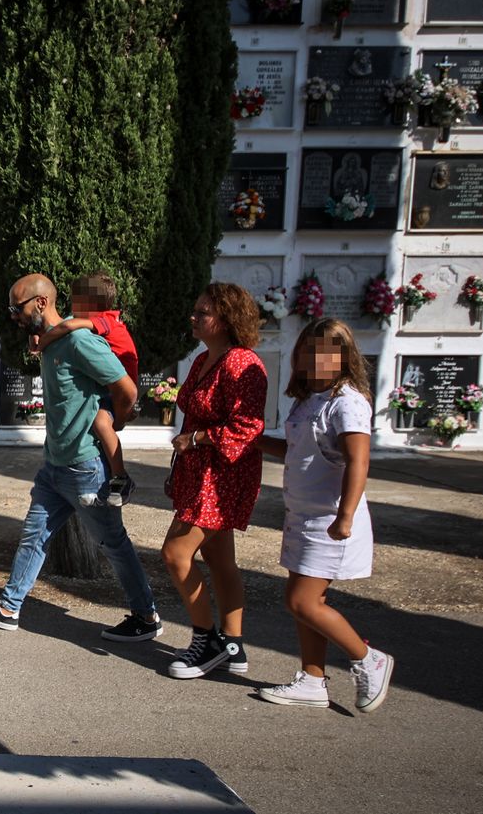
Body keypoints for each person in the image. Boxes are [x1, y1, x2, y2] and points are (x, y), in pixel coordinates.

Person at [0, 274, 161, 642]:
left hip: (85, 468)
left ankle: (146, 617)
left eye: (16, 308)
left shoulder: (80, 342)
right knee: (34, 535)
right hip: (55, 466)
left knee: (114, 543)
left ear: (39, 303)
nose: (12, 316)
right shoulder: (54, 340)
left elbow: (127, 388)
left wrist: (114, 420)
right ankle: (8, 608)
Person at [254, 319, 394, 711]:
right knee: (304, 600)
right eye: (309, 351)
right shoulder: (308, 399)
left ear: (344, 358)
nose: (315, 359)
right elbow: (299, 452)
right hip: (302, 515)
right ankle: (313, 680)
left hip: (329, 520)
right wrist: (256, 442)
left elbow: (358, 461)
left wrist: (345, 515)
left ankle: (369, 659)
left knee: (303, 602)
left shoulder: (346, 401)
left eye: (326, 353)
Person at [161, 283, 268, 679]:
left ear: (225, 318)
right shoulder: (203, 359)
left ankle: (206, 641)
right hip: (198, 472)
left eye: (202, 312)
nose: (194, 317)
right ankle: (235, 645)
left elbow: (248, 426)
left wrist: (198, 438)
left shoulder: (242, 364)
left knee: (175, 553)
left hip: (223, 476)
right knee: (220, 559)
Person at [31, 271, 139, 506]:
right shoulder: (100, 319)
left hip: (119, 390)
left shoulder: (103, 321)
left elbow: (67, 325)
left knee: (101, 423)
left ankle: (121, 476)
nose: (71, 306)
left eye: (75, 300)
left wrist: (43, 345)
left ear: (90, 305)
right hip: (110, 390)